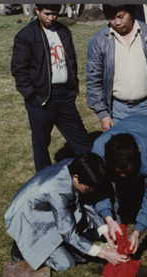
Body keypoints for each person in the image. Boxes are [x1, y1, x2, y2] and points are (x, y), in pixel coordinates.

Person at [4, 153, 128, 273]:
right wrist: (103, 253)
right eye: (88, 188)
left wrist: (104, 230)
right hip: (27, 217)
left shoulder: (76, 166)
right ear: (76, 178)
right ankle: (21, 247)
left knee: (83, 254)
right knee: (65, 264)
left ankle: (63, 246)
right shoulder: (57, 191)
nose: (90, 191)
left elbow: (87, 201)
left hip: (47, 210)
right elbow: (68, 233)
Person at [11, 4, 91, 172]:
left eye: (55, 14)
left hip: (65, 96)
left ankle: (89, 177)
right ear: (37, 10)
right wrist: (32, 96)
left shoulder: (63, 31)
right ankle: (44, 184)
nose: (51, 18)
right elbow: (19, 70)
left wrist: (72, 88)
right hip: (41, 99)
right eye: (47, 14)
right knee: (41, 146)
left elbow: (72, 62)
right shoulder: (25, 36)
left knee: (83, 143)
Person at [92, 114, 147, 262]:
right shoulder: (99, 150)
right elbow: (99, 187)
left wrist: (138, 231)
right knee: (112, 183)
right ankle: (114, 234)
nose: (123, 176)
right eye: (119, 171)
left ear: (137, 155)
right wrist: (108, 219)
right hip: (132, 126)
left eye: (126, 170)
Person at [86, 3, 147, 131]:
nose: (117, 22)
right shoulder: (98, 41)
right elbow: (93, 80)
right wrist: (103, 115)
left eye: (120, 16)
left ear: (130, 12)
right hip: (118, 110)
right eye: (112, 18)